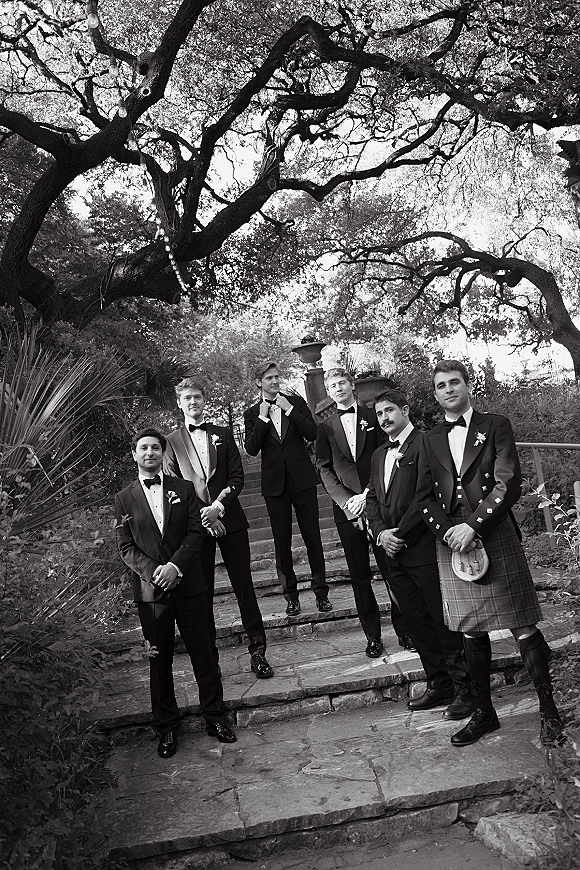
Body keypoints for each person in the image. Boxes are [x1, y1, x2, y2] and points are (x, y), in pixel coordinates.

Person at [416, 360, 564, 746]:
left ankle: (550, 714)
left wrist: (474, 526)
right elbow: (423, 497)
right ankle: (485, 713)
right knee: (469, 627)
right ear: (435, 394)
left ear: (467, 386)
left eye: (454, 382)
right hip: (451, 538)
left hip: (491, 528)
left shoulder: (495, 424)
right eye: (441, 385)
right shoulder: (428, 438)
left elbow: (508, 481)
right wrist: (449, 530)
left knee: (523, 624)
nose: (448, 389)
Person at [114, 428, 236, 759]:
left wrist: (175, 567)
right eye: (144, 448)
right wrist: (155, 571)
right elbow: (125, 546)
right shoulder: (123, 498)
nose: (150, 452)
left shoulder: (183, 489)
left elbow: (197, 531)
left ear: (163, 454)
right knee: (160, 661)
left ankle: (214, 718)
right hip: (151, 592)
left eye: (155, 447)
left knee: (204, 653)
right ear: (135, 454)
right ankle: (167, 729)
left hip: (190, 585)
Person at [366, 389, 474, 718]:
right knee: (415, 620)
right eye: (379, 413)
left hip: (424, 547)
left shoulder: (427, 442)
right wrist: (382, 533)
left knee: (441, 620)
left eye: (389, 411)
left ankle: (464, 688)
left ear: (405, 409)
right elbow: (372, 498)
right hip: (392, 553)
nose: (384, 418)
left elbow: (428, 495)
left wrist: (401, 533)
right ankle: (438, 683)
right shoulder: (378, 453)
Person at [164, 379, 273, 679]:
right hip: (197, 529)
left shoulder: (223, 435)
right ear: (179, 403)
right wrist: (205, 518)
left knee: (244, 586)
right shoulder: (171, 442)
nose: (193, 402)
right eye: (187, 397)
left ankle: (258, 650)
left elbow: (237, 477)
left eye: (198, 396)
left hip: (231, 521)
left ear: (204, 399)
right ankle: (209, 658)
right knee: (202, 593)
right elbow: (173, 487)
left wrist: (218, 508)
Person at [316, 369, 410, 657]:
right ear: (329, 392)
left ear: (352, 385)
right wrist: (347, 501)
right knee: (359, 576)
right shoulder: (325, 427)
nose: (338, 388)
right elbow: (324, 468)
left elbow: (387, 455)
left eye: (342, 382)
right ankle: (372, 636)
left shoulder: (374, 417)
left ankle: (405, 631)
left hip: (378, 502)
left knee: (392, 570)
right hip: (347, 512)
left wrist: (367, 495)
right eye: (332, 385)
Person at [244, 361, 331, 616]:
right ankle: (290, 597)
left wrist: (290, 410)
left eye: (277, 377)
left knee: (313, 538)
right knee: (281, 544)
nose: (275, 381)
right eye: (269, 378)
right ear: (259, 382)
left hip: (302, 479)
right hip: (274, 485)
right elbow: (251, 448)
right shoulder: (251, 414)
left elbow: (313, 433)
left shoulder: (296, 403)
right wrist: (262, 416)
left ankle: (321, 593)